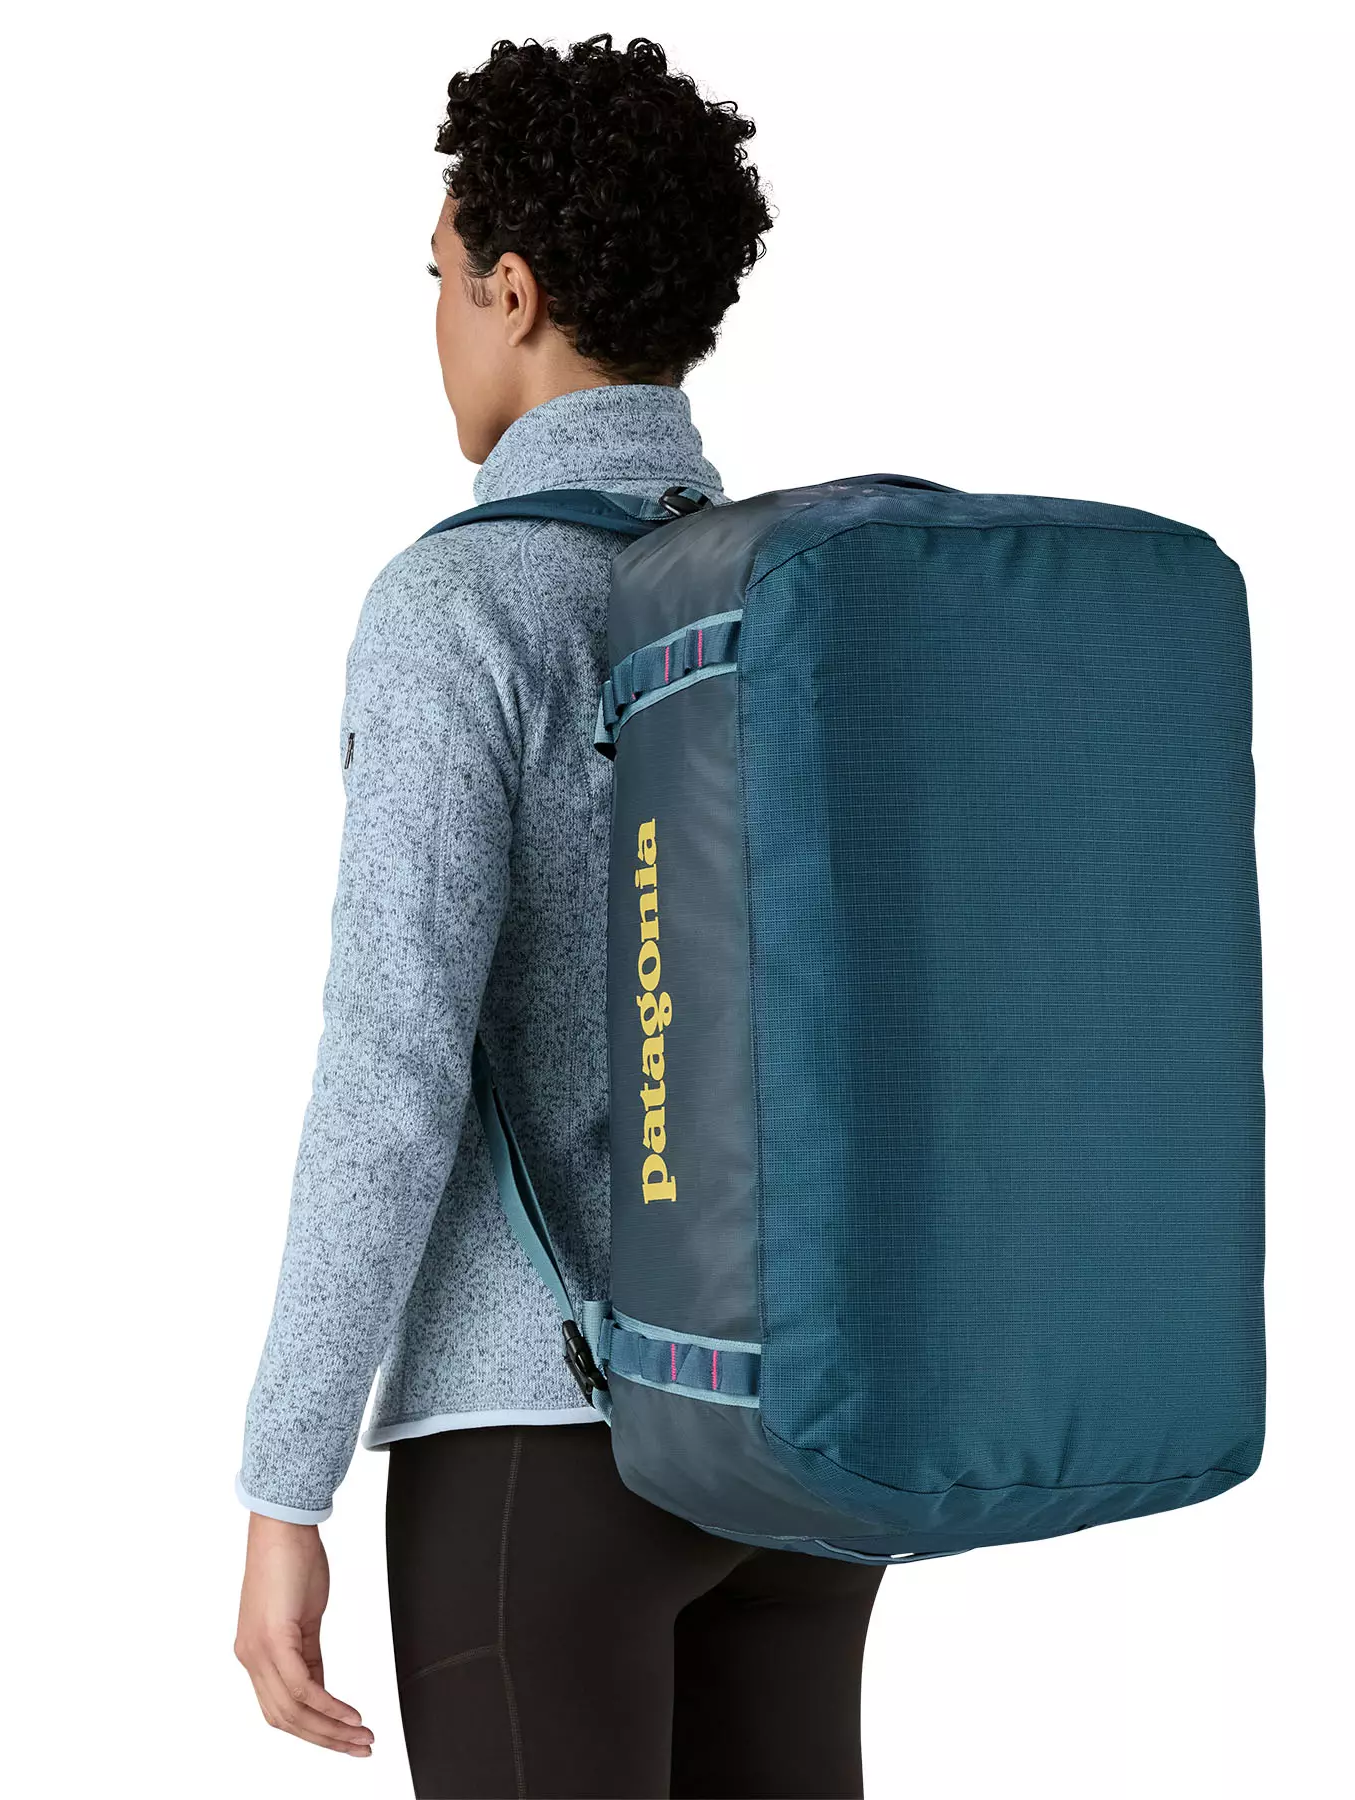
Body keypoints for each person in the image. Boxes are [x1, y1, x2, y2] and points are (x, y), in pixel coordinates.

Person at [233, 35, 884, 1798]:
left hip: (541, 1438)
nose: (435, 320)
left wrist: (286, 1478)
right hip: (801, 1429)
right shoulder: (800, 594)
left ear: (511, 292)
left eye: (438, 277)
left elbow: (391, 1067)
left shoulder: (460, 609)